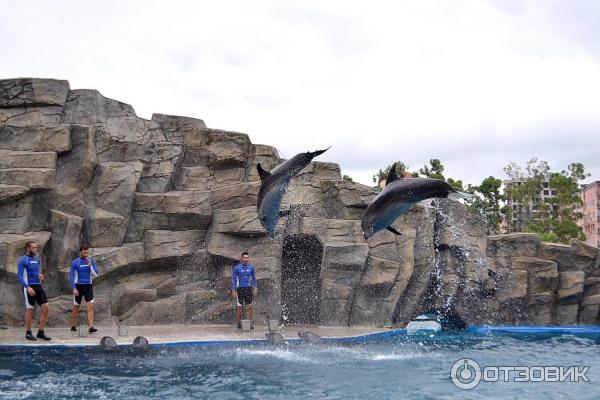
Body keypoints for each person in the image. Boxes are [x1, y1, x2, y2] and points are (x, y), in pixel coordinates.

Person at [17, 241, 51, 341]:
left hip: (38, 285)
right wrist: (27, 287)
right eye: (34, 247)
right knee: (30, 309)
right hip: (28, 286)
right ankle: (28, 333)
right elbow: (19, 276)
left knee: (46, 307)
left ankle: (41, 332)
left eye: (36, 247)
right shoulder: (23, 260)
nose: (36, 249)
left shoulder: (36, 259)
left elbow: (36, 273)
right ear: (28, 248)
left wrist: (40, 276)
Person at [69, 245, 99, 333]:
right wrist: (74, 288)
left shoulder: (91, 261)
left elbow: (96, 274)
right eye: (84, 252)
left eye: (87, 252)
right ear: (80, 252)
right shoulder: (75, 262)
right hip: (78, 286)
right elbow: (71, 276)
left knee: (90, 306)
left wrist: (90, 266)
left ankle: (91, 327)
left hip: (88, 286)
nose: (86, 254)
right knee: (76, 307)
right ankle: (73, 325)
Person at [231, 252, 258, 329]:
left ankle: (249, 323)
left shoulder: (251, 267)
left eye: (247, 257)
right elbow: (234, 279)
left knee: (248, 307)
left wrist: (255, 288)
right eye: (245, 257)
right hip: (239, 289)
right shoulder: (237, 268)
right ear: (242, 258)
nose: (246, 259)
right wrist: (233, 290)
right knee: (239, 307)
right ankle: (239, 323)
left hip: (248, 288)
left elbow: (254, 278)